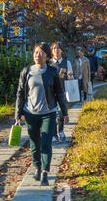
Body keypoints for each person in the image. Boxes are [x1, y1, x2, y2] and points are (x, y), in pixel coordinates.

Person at [15, 42, 69, 186]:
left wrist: (64, 112)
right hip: (30, 113)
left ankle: (45, 171)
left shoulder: (52, 72)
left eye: (41, 53)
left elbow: (59, 93)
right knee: (34, 143)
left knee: (46, 143)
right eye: (36, 52)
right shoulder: (26, 71)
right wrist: (17, 113)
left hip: (48, 113)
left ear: (47, 56)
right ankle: (37, 167)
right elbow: (20, 93)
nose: (37, 55)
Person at [50, 42, 73, 143]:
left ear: (62, 50)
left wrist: (70, 75)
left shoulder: (66, 63)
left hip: (62, 91)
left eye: (58, 48)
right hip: (50, 92)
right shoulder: (49, 63)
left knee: (61, 113)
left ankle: (61, 131)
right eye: (54, 48)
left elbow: (70, 78)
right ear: (51, 51)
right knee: (53, 113)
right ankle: (54, 134)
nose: (56, 50)